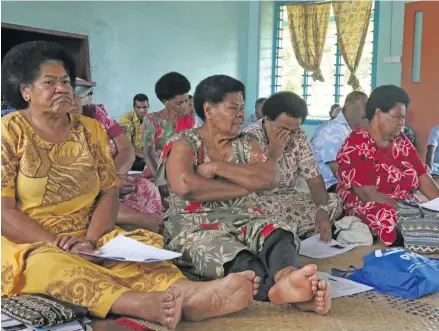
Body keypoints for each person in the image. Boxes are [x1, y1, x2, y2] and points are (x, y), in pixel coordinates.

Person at [1, 41, 264, 330]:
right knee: (49, 266)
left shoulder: (89, 130)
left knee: (139, 247)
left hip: (90, 232)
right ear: (25, 90)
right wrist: (58, 244)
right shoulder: (10, 131)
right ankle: (139, 304)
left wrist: (89, 241)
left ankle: (190, 294)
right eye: (49, 82)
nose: (62, 88)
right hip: (32, 240)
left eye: (65, 81)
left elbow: (108, 193)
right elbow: (4, 212)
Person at [156, 75, 332, 313]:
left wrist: (218, 167)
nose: (240, 114)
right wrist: (243, 186)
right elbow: (187, 185)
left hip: (246, 216)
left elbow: (268, 178)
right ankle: (287, 292)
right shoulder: (184, 142)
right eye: (233, 108)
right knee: (237, 258)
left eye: (242, 108)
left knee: (278, 232)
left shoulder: (247, 142)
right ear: (209, 109)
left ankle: (289, 277)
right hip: (194, 225)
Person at [336, 85, 439, 246]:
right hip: (371, 204)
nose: (402, 123)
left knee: (428, 215)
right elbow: (368, 194)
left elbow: (422, 176)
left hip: (405, 203)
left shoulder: (401, 140)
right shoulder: (358, 142)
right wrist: (411, 210)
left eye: (403, 118)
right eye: (397, 117)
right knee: (393, 218)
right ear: (378, 114)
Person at [245, 92, 343, 241]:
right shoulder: (250, 137)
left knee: (334, 201)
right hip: (260, 201)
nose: (289, 135)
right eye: (282, 128)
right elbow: (252, 183)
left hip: (289, 198)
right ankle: (284, 232)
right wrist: (273, 155)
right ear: (267, 119)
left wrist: (322, 210)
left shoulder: (300, 136)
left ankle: (282, 232)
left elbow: (314, 179)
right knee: (253, 213)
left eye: (293, 130)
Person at [70, 94, 163, 233]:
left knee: (146, 187)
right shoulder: (53, 133)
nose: (73, 100)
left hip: (115, 174)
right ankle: (143, 221)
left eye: (74, 94)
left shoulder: (96, 114)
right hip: (88, 190)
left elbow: (126, 149)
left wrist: (114, 178)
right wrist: (108, 184)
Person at [141, 72, 194, 179]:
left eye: (186, 101)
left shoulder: (191, 119)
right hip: (157, 172)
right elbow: (149, 154)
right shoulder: (152, 120)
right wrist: (160, 180)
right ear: (165, 102)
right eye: (179, 103)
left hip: (183, 173)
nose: (184, 106)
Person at [312, 91, 368, 192]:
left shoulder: (356, 129)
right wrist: (361, 189)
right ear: (348, 106)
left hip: (351, 181)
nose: (367, 111)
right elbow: (336, 168)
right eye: (364, 106)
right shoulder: (332, 130)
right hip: (330, 185)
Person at [119, 94, 149, 171]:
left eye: (145, 107)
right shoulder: (126, 120)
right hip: (128, 156)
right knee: (150, 164)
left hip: (142, 155)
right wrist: (146, 156)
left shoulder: (151, 120)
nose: (142, 110)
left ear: (148, 106)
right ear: (134, 107)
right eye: (139, 107)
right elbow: (125, 148)